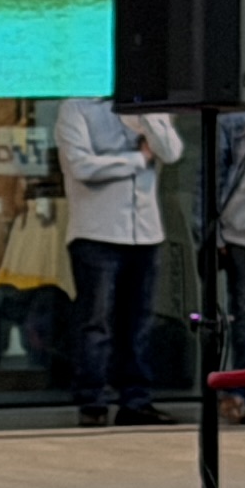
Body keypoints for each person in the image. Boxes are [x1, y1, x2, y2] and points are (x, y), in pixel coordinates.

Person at [57, 97, 182, 427]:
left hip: (145, 233)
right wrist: (137, 158)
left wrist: (149, 115)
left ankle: (136, 401)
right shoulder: (77, 108)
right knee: (96, 323)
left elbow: (171, 152)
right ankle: (92, 401)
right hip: (97, 231)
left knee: (138, 324)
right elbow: (81, 166)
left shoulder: (150, 108)